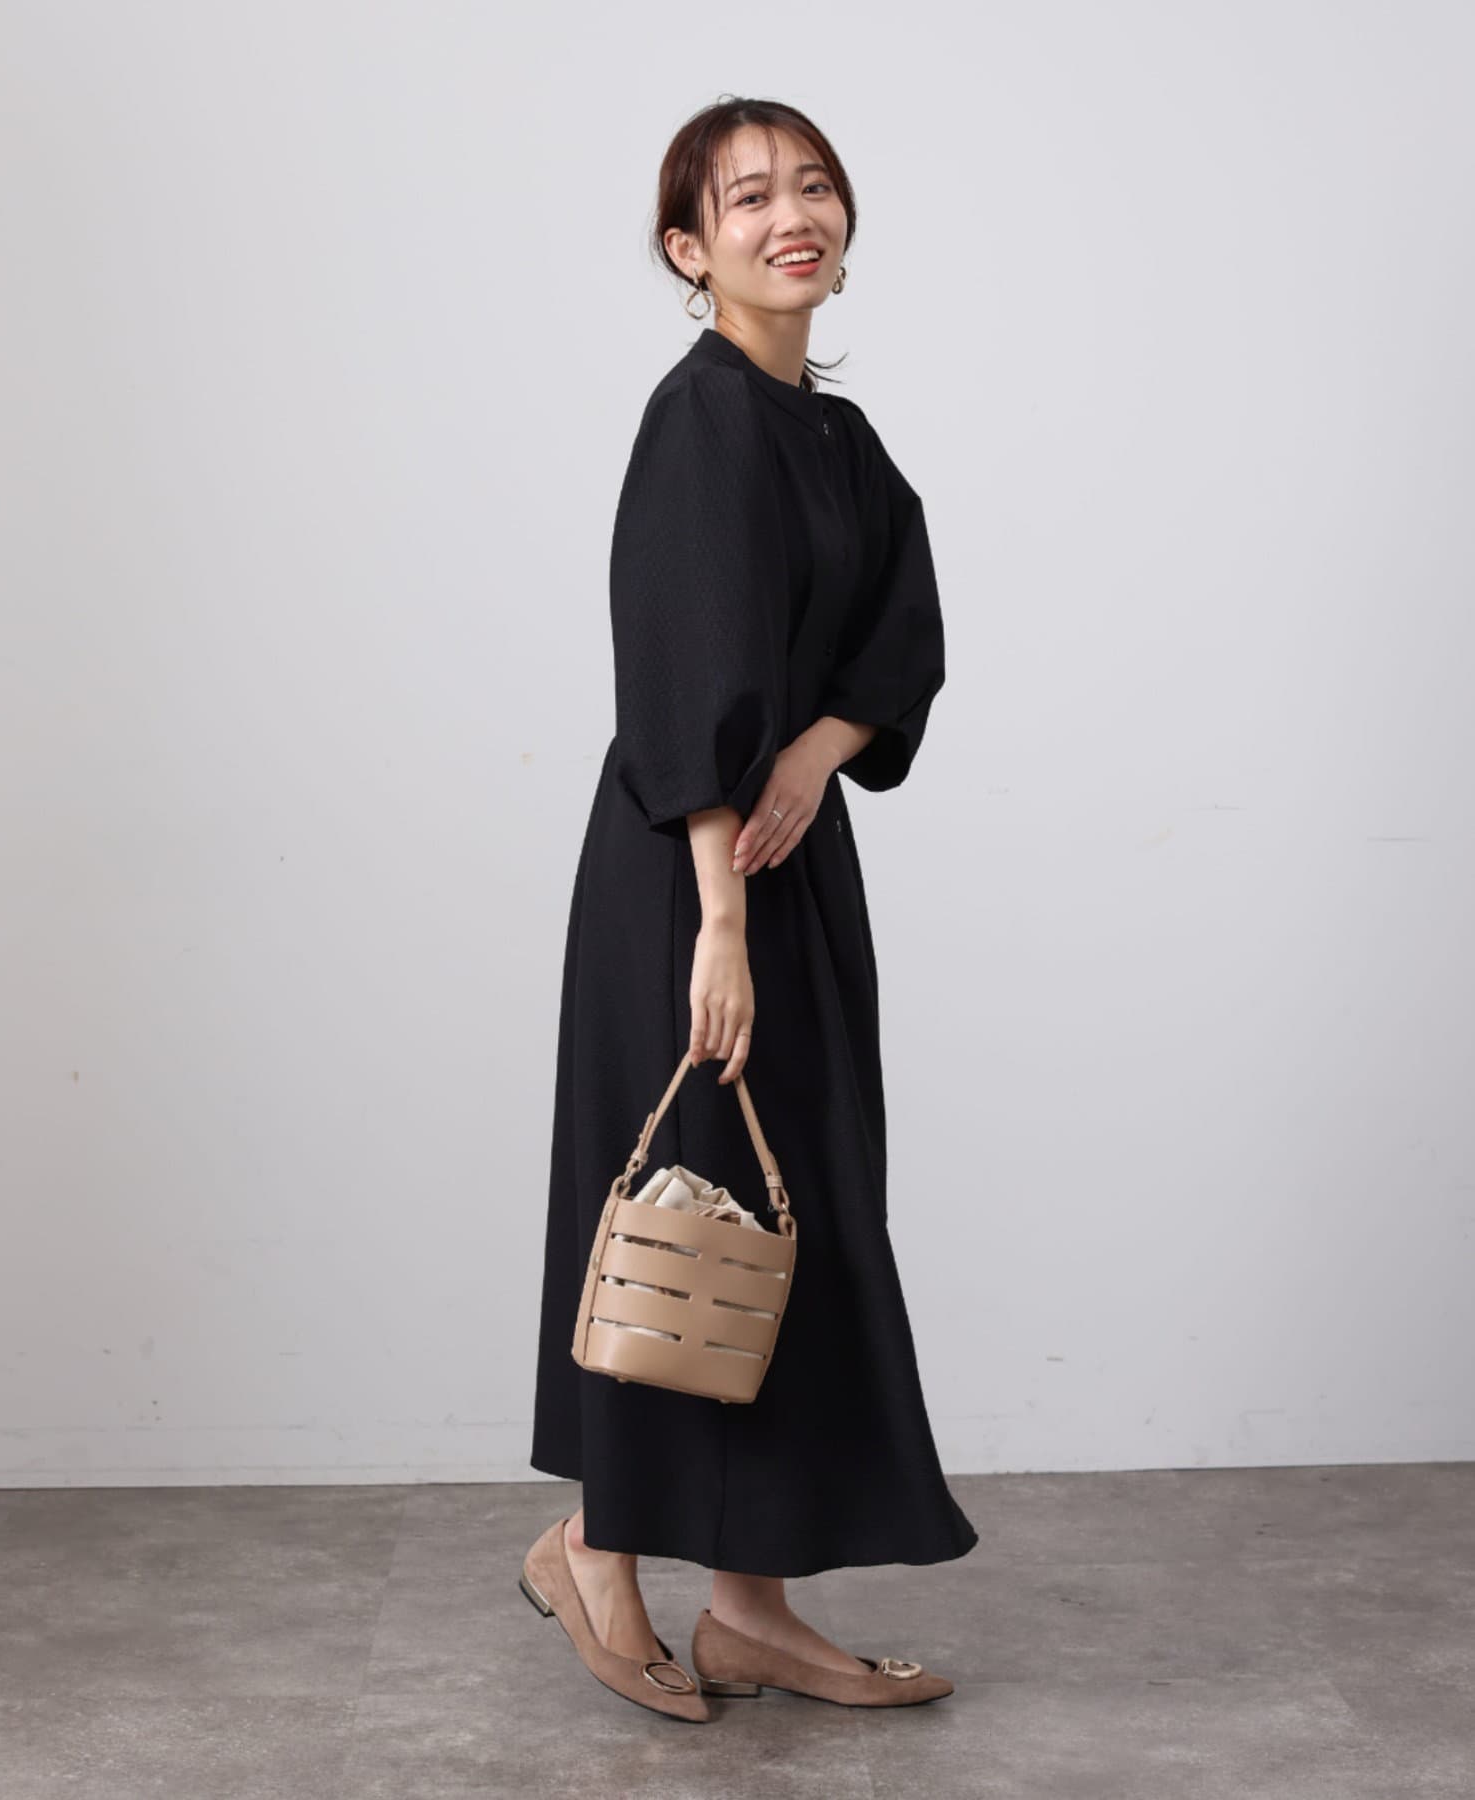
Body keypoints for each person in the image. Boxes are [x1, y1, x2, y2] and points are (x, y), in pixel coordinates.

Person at [524, 96, 979, 1721]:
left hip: (792, 862)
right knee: (691, 1216)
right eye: (749, 198)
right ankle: (596, 1547)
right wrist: (717, 919)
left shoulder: (837, 438)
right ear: (688, 249)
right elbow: (678, 667)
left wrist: (818, 749)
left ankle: (751, 1610)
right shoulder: (700, 418)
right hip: (686, 873)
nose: (795, 216)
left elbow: (903, 629)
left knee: (800, 1220)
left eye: (814, 187)